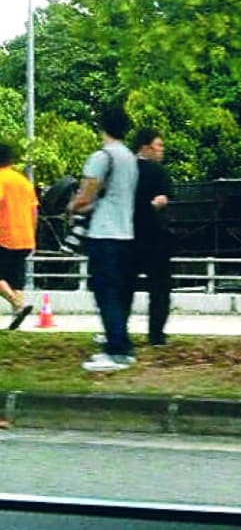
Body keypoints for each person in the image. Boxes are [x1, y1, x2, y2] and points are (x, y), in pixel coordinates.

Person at [68, 104, 138, 371]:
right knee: (118, 293)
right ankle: (119, 345)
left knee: (104, 292)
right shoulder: (129, 158)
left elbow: (85, 196)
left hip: (103, 233)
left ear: (102, 127)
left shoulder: (101, 157)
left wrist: (71, 207)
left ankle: (117, 352)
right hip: (125, 233)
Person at [131, 128, 173, 346]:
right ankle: (156, 334)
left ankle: (117, 331)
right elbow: (162, 200)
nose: (161, 150)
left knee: (124, 286)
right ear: (146, 147)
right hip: (156, 237)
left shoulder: (125, 170)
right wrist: (151, 205)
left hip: (128, 236)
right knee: (160, 288)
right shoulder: (159, 172)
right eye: (158, 145)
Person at [0, 139, 38, 330]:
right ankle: (18, 315)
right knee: (15, 278)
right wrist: (33, 234)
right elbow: (34, 211)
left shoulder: (1, 179)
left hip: (5, 236)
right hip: (25, 237)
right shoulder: (23, 182)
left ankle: (17, 304)